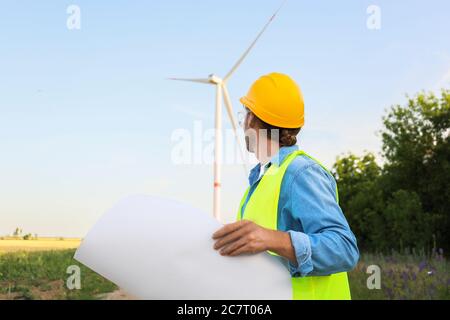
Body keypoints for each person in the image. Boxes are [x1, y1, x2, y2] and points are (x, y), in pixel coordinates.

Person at [212, 73, 359, 300]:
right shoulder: (261, 181)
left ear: (252, 120)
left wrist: (271, 239)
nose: (243, 123)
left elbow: (344, 249)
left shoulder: (300, 173)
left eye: (246, 114)